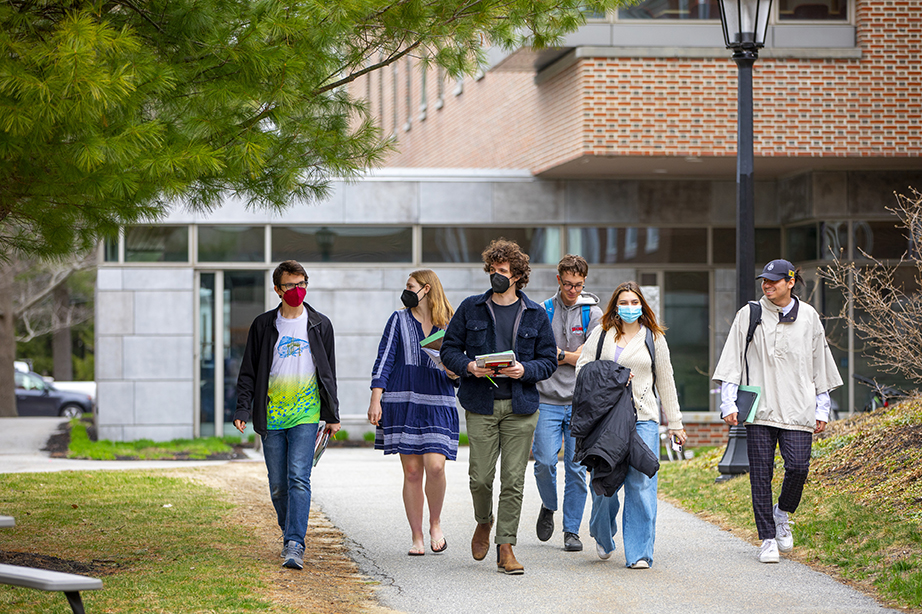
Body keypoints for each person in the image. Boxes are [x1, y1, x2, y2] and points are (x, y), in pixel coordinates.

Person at [440, 238, 557, 575]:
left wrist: (526, 369)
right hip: (481, 404)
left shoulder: (535, 313)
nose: (497, 275)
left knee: (513, 480)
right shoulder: (470, 308)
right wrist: (468, 367)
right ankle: (484, 520)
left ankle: (506, 546)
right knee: (480, 478)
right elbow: (450, 349)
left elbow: (548, 359)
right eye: (493, 270)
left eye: (503, 271)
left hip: (521, 407)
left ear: (518, 275)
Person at [713, 259, 842, 564]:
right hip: (760, 408)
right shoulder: (750, 314)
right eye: (764, 281)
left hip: (798, 408)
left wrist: (822, 408)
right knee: (761, 474)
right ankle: (768, 538)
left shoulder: (809, 317)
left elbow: (819, 364)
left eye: (773, 281)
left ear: (791, 282)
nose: (767, 285)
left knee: (798, 468)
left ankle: (782, 512)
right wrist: (728, 403)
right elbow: (733, 358)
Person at [234, 260, 340, 571]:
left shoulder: (321, 324)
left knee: (298, 477)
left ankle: (295, 543)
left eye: (302, 283)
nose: (297, 291)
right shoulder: (264, 325)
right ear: (278, 289)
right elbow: (249, 371)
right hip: (271, 415)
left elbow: (329, 372)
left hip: (306, 415)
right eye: (291, 285)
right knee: (278, 484)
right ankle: (289, 532)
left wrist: (332, 413)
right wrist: (243, 406)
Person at [575, 281, 686, 568]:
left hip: (643, 419)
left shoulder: (654, 338)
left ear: (642, 306)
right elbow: (582, 368)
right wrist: (613, 376)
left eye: (634, 302)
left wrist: (675, 423)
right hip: (607, 421)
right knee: (605, 483)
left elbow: (666, 381)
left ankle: (639, 553)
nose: (629, 308)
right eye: (623, 302)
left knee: (641, 484)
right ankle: (602, 533)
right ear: (615, 306)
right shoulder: (601, 334)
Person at [367, 269, 460, 556]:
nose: (406, 290)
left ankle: (435, 523)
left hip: (437, 400)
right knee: (411, 471)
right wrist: (375, 398)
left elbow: (460, 368)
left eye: (411, 285)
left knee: (435, 466)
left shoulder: (450, 323)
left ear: (427, 289)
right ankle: (417, 536)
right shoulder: (397, 320)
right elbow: (384, 359)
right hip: (402, 400)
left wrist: (454, 370)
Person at [532, 254, 602, 552]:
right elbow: (540, 353)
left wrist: (560, 355)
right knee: (545, 462)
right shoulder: (542, 311)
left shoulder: (594, 314)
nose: (573, 291)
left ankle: (571, 530)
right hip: (546, 399)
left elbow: (589, 357)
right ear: (558, 280)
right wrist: (567, 356)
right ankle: (549, 504)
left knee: (576, 469)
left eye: (579, 285)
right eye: (568, 284)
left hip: (580, 403)